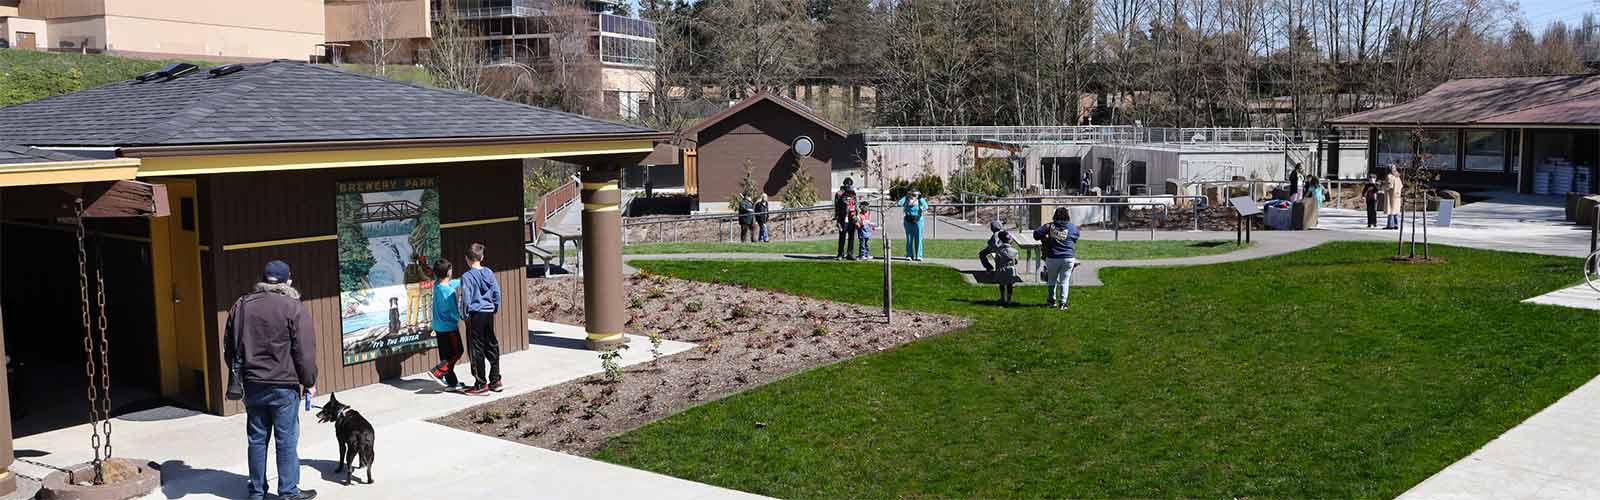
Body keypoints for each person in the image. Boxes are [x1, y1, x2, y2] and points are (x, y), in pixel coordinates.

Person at [224, 260, 318, 500]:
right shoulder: (293, 307)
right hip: (284, 385)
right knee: (286, 440)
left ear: (264, 281)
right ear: (287, 281)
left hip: (253, 384)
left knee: (256, 439)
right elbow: (304, 352)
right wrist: (309, 381)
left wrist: (243, 375)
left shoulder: (242, 305)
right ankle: (288, 491)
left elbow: (229, 347)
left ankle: (256, 491)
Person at [460, 243, 503, 395]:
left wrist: (464, 314)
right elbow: (497, 293)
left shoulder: (466, 277)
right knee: (491, 344)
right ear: (482, 257)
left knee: (476, 348)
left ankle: (481, 384)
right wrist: (495, 307)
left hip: (475, 314)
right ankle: (496, 379)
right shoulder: (489, 273)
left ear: (467, 259)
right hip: (488, 313)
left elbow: (466, 298)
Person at [426, 258, 466, 392]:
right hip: (449, 328)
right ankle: (438, 371)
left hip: (438, 327)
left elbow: (451, 283)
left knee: (446, 355)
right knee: (458, 351)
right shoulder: (449, 292)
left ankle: (451, 383)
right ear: (449, 272)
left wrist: (463, 280)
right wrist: (462, 316)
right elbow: (455, 313)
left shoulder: (437, 285)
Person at [1033, 207, 1080, 310]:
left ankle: (1051, 301)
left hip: (1052, 257)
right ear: (1067, 216)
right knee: (1065, 280)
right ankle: (1063, 303)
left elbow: (1036, 234)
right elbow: (1076, 237)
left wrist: (1045, 238)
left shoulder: (1049, 226)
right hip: (1068, 258)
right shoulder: (1072, 227)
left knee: (1051, 280)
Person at [897, 190, 929, 261]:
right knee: (909, 239)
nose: (913, 196)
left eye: (915, 194)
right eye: (912, 194)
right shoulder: (906, 199)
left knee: (918, 238)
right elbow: (899, 203)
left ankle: (919, 256)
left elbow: (926, 206)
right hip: (908, 221)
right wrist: (905, 197)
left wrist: (921, 198)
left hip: (918, 221)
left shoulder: (919, 200)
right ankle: (909, 255)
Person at [833, 178, 859, 260]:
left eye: (850, 184)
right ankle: (840, 253)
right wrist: (837, 219)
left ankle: (850, 253)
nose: (848, 185)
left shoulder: (853, 193)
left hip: (852, 218)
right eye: (847, 183)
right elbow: (836, 206)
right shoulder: (839, 193)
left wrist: (856, 216)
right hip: (842, 218)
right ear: (844, 184)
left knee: (851, 236)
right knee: (842, 236)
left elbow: (856, 205)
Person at [993, 231, 1020, 305]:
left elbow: (997, 261)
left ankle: (1002, 298)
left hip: (1001, 270)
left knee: (1001, 284)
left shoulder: (998, 250)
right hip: (1011, 270)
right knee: (1009, 285)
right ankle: (1009, 299)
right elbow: (1016, 262)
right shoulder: (1015, 251)